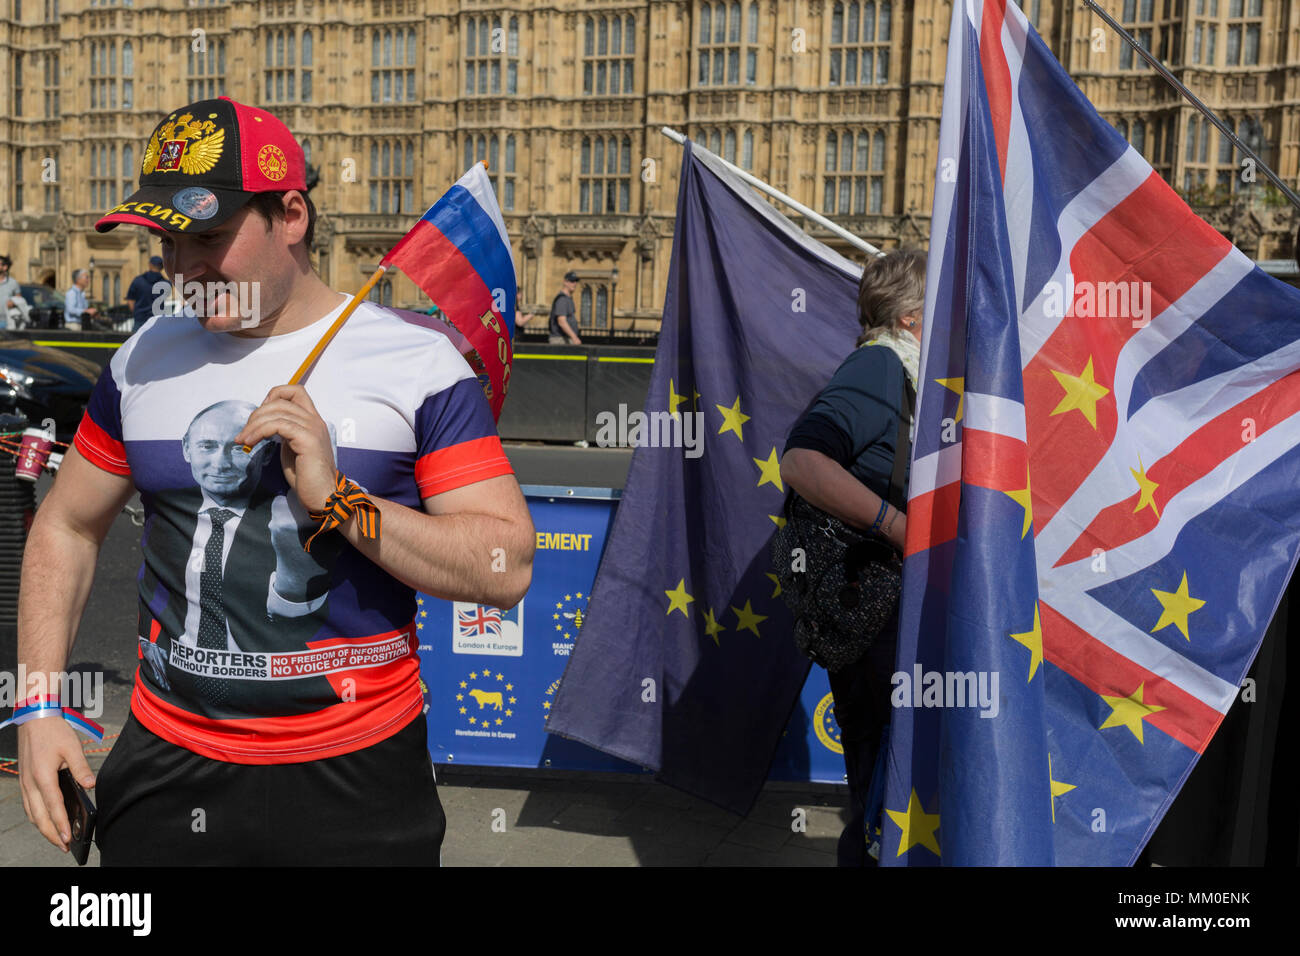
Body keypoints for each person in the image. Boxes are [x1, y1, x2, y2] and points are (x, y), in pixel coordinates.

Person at [16, 96, 535, 866]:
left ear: (291, 215)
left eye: (209, 238)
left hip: (356, 775)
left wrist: (340, 501)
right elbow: (67, 525)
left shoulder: (419, 365)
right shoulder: (143, 359)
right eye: (165, 243)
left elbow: (507, 564)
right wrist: (37, 704)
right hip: (168, 766)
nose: (183, 269)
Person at [780, 248, 924, 867]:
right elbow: (803, 460)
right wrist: (900, 527)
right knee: (882, 783)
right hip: (874, 602)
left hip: (873, 603)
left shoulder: (902, 372)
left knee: (881, 779)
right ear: (913, 317)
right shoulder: (881, 369)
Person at [125, 255, 168, 332]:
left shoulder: (138, 280)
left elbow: (130, 300)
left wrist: (136, 312)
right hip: (156, 320)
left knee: (137, 343)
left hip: (140, 319)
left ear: (150, 265)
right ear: (162, 267)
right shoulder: (166, 283)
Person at [547, 270, 581, 344]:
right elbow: (561, 322)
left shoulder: (568, 299)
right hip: (560, 340)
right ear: (565, 282)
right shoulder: (562, 299)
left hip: (565, 339)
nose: (575, 284)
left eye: (576, 281)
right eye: (572, 281)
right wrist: (574, 337)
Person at [1, 254, 31, 330]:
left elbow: (19, 300)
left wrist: (13, 302)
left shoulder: (13, 283)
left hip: (7, 322)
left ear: (5, 267)